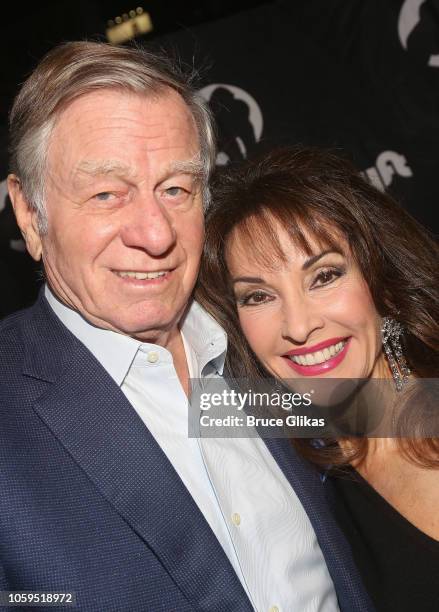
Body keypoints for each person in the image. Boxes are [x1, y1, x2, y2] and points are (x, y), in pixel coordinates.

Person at [0, 42, 371, 611]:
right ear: (30, 214)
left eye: (176, 189)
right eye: (106, 194)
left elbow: (402, 424)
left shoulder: (263, 332)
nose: (155, 234)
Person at [197, 146, 439, 612]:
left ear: (380, 281)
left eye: (324, 276)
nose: (299, 325)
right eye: (258, 296)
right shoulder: (286, 462)